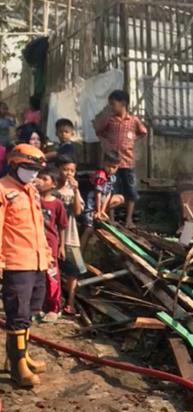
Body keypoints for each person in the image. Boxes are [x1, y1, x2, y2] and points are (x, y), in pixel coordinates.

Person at [0, 144, 52, 388]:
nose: (33, 174)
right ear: (14, 164)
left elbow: (38, 227)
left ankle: (22, 356)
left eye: (36, 169)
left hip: (37, 261)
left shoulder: (31, 191)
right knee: (17, 315)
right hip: (16, 263)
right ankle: (18, 367)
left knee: (29, 312)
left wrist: (47, 255)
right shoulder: (3, 190)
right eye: (29, 168)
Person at [94, 90, 147, 227]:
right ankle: (111, 218)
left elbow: (143, 132)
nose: (111, 107)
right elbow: (99, 131)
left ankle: (128, 219)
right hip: (112, 163)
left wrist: (133, 141)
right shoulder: (110, 120)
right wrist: (107, 145)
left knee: (131, 191)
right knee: (111, 189)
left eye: (113, 104)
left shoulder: (133, 120)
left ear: (123, 104)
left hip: (128, 162)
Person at [36, 166, 67, 322]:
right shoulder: (33, 199)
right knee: (37, 276)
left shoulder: (57, 204)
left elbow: (62, 226)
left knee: (52, 275)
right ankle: (38, 306)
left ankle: (54, 307)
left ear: (53, 184)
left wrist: (61, 246)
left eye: (44, 179)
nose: (40, 182)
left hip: (51, 245)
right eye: (39, 178)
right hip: (35, 243)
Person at [55, 156, 85, 316]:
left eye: (72, 170)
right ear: (58, 169)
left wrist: (76, 190)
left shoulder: (73, 190)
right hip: (52, 237)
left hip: (70, 236)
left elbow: (78, 211)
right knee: (53, 271)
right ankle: (54, 302)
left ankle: (70, 303)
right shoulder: (51, 188)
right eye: (65, 169)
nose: (68, 173)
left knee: (73, 271)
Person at [86, 151, 125, 224]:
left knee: (121, 198)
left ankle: (102, 212)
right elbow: (98, 194)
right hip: (93, 201)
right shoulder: (101, 175)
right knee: (89, 226)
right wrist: (98, 210)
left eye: (114, 167)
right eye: (109, 166)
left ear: (118, 167)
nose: (111, 169)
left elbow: (108, 194)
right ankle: (95, 212)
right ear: (104, 163)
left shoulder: (113, 177)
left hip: (102, 199)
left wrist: (103, 210)